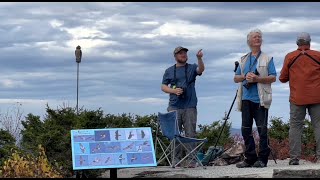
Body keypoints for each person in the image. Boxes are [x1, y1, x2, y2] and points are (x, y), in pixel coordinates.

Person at [233, 29, 277, 168]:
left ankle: (263, 159)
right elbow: (236, 78)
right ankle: (250, 158)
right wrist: (246, 76)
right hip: (246, 98)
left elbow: (273, 77)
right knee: (245, 129)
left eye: (259, 37)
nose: (257, 38)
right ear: (249, 41)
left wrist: (257, 78)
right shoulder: (243, 59)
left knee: (262, 129)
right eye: (254, 37)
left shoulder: (267, 58)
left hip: (260, 98)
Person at [279, 32, 320, 165]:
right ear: (309, 42)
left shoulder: (290, 57)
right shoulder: (318, 56)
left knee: (295, 126)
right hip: (317, 97)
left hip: (297, 98)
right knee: (318, 126)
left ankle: (294, 158)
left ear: (297, 43)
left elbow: (283, 78)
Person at [161, 46, 205, 167]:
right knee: (175, 134)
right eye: (180, 53)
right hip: (174, 105)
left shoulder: (191, 68)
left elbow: (200, 70)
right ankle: (176, 160)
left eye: (185, 53)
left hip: (190, 105)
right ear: (175, 56)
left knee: (191, 133)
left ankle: (192, 160)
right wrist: (174, 91)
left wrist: (199, 58)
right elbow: (163, 86)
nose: (183, 55)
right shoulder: (169, 70)